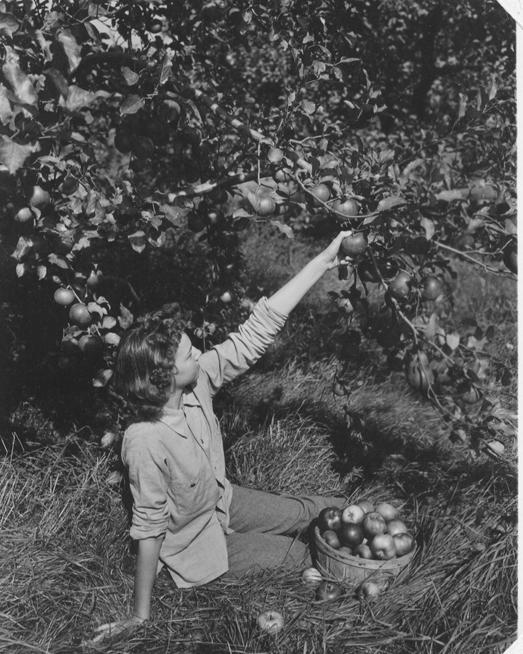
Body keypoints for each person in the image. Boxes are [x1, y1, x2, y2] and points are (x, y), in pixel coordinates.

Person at [89, 231, 352, 644]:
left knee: (314, 511)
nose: (199, 355)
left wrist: (323, 260)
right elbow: (149, 527)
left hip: (222, 502)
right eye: (188, 354)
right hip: (198, 547)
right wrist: (140, 617)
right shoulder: (144, 441)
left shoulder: (197, 385)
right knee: (306, 557)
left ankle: (368, 525)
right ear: (164, 378)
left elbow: (255, 333)